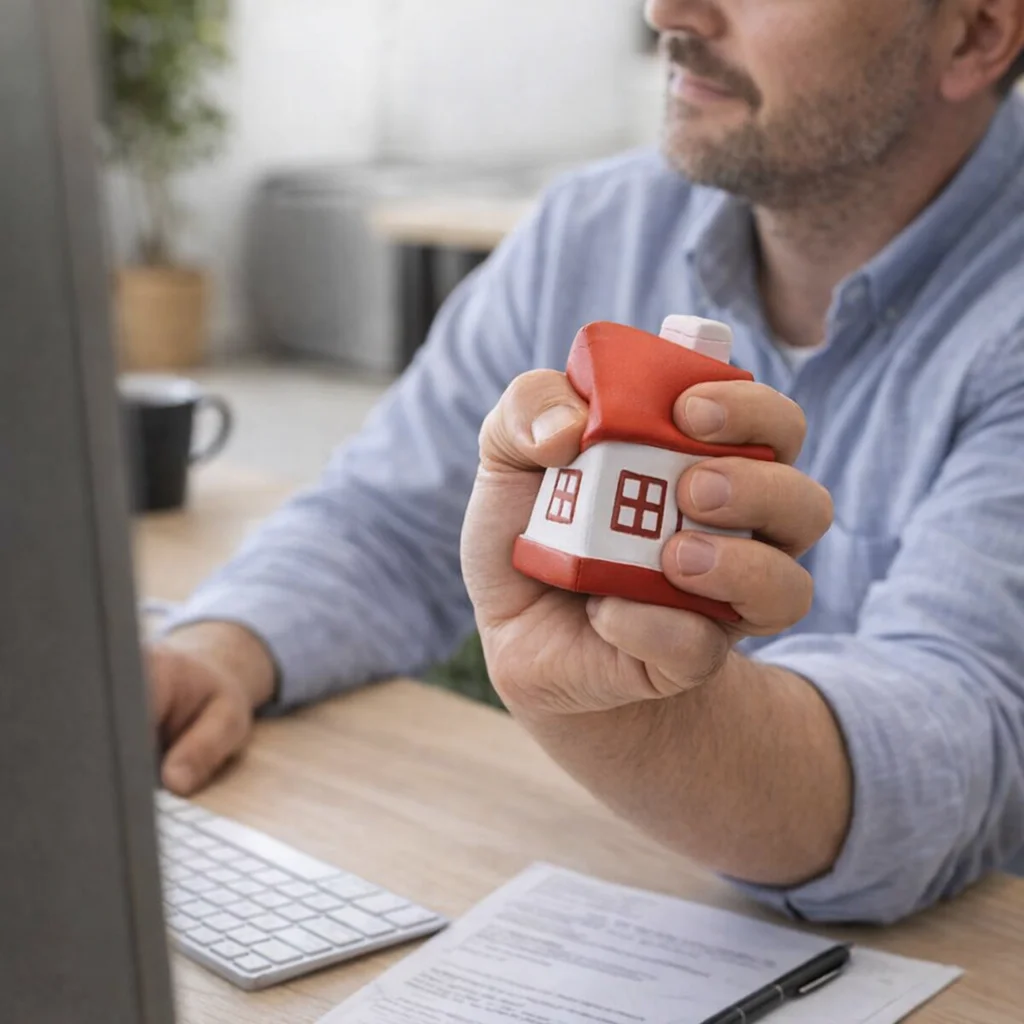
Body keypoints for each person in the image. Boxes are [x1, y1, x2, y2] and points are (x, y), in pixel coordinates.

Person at [151, 0, 1024, 924]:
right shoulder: (595, 224)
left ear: (972, 35)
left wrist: (628, 714)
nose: (667, 11)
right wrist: (220, 650)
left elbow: (949, 748)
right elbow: (385, 520)